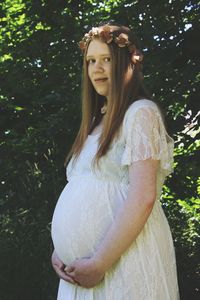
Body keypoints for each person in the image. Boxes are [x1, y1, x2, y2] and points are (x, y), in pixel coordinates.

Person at [51, 22, 180, 299]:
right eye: (91, 61)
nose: (96, 68)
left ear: (127, 63)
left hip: (122, 263)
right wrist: (60, 249)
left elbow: (143, 196)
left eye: (106, 60)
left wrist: (99, 263)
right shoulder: (95, 124)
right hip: (79, 272)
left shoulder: (140, 113)